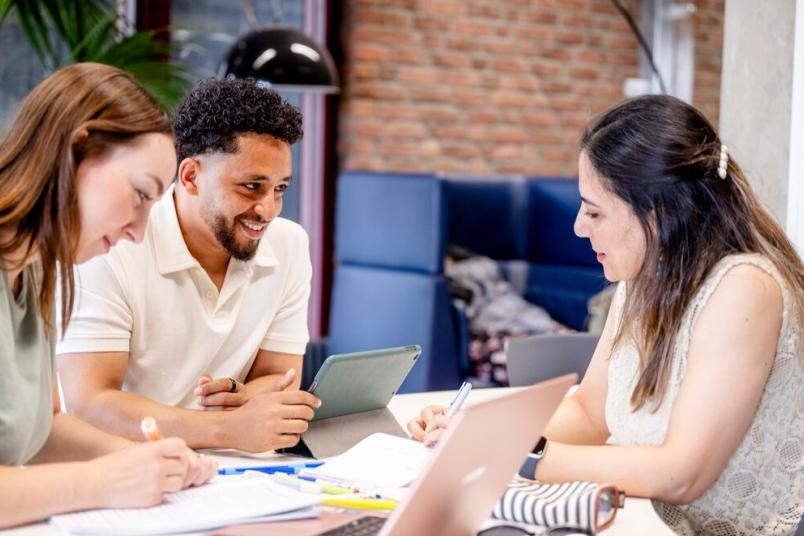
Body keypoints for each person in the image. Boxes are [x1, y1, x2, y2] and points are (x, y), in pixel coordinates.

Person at [409, 95, 804, 535]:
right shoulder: (642, 278)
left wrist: (525, 455)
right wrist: (475, 432)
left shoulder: (744, 288)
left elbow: (682, 474)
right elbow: (590, 413)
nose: (579, 226)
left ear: (658, 214)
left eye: (594, 211)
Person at [0, 63, 216, 529]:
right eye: (140, 195)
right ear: (77, 148)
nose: (138, 232)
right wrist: (105, 481)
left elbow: (43, 431)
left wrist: (147, 461)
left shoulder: (37, 271)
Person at [56, 78, 321, 452]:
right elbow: (90, 403)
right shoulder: (112, 242)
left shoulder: (289, 244)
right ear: (191, 177)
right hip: (125, 462)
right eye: (251, 186)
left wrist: (240, 397)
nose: (268, 210)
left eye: (279, 189)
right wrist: (226, 429)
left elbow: (280, 380)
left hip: (235, 468)